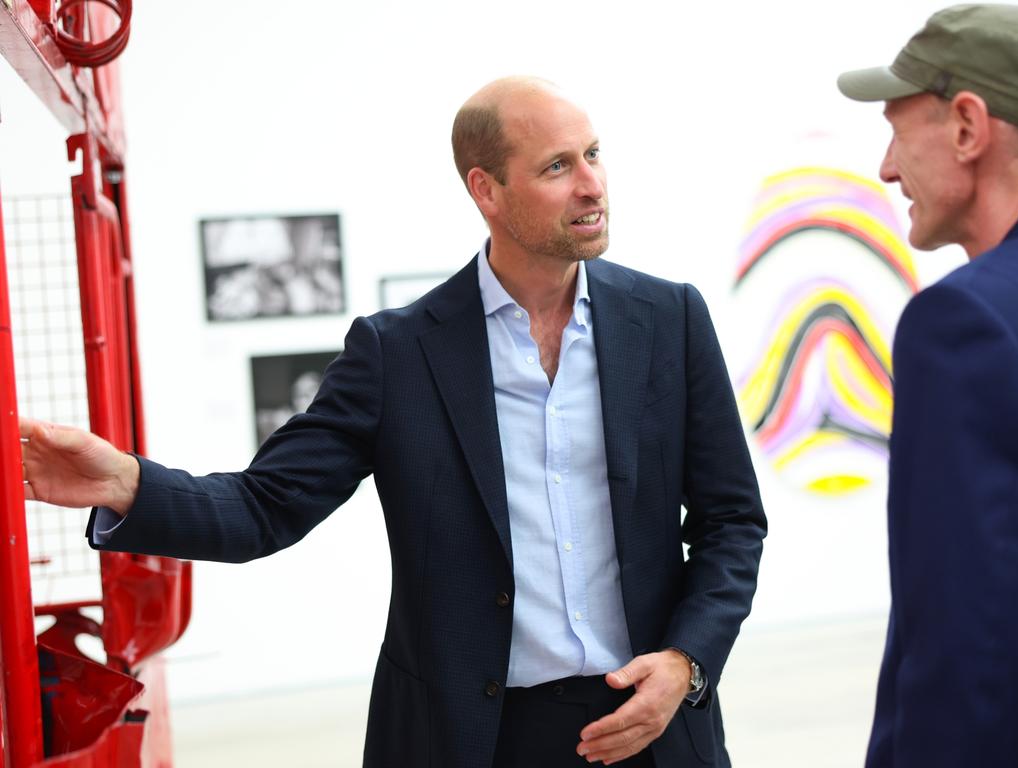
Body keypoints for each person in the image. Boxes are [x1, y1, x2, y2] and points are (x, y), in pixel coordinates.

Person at [20, 77, 766, 768]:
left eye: (594, 154)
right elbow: (264, 507)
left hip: (655, 726)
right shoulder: (398, 352)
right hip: (474, 738)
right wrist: (124, 483)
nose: (593, 183)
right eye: (557, 167)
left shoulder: (668, 320)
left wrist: (688, 663)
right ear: (487, 190)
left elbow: (732, 519)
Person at [837, 5, 1018, 766]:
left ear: (968, 128)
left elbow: (961, 644)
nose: (885, 167)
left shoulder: (961, 322)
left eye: (898, 127)